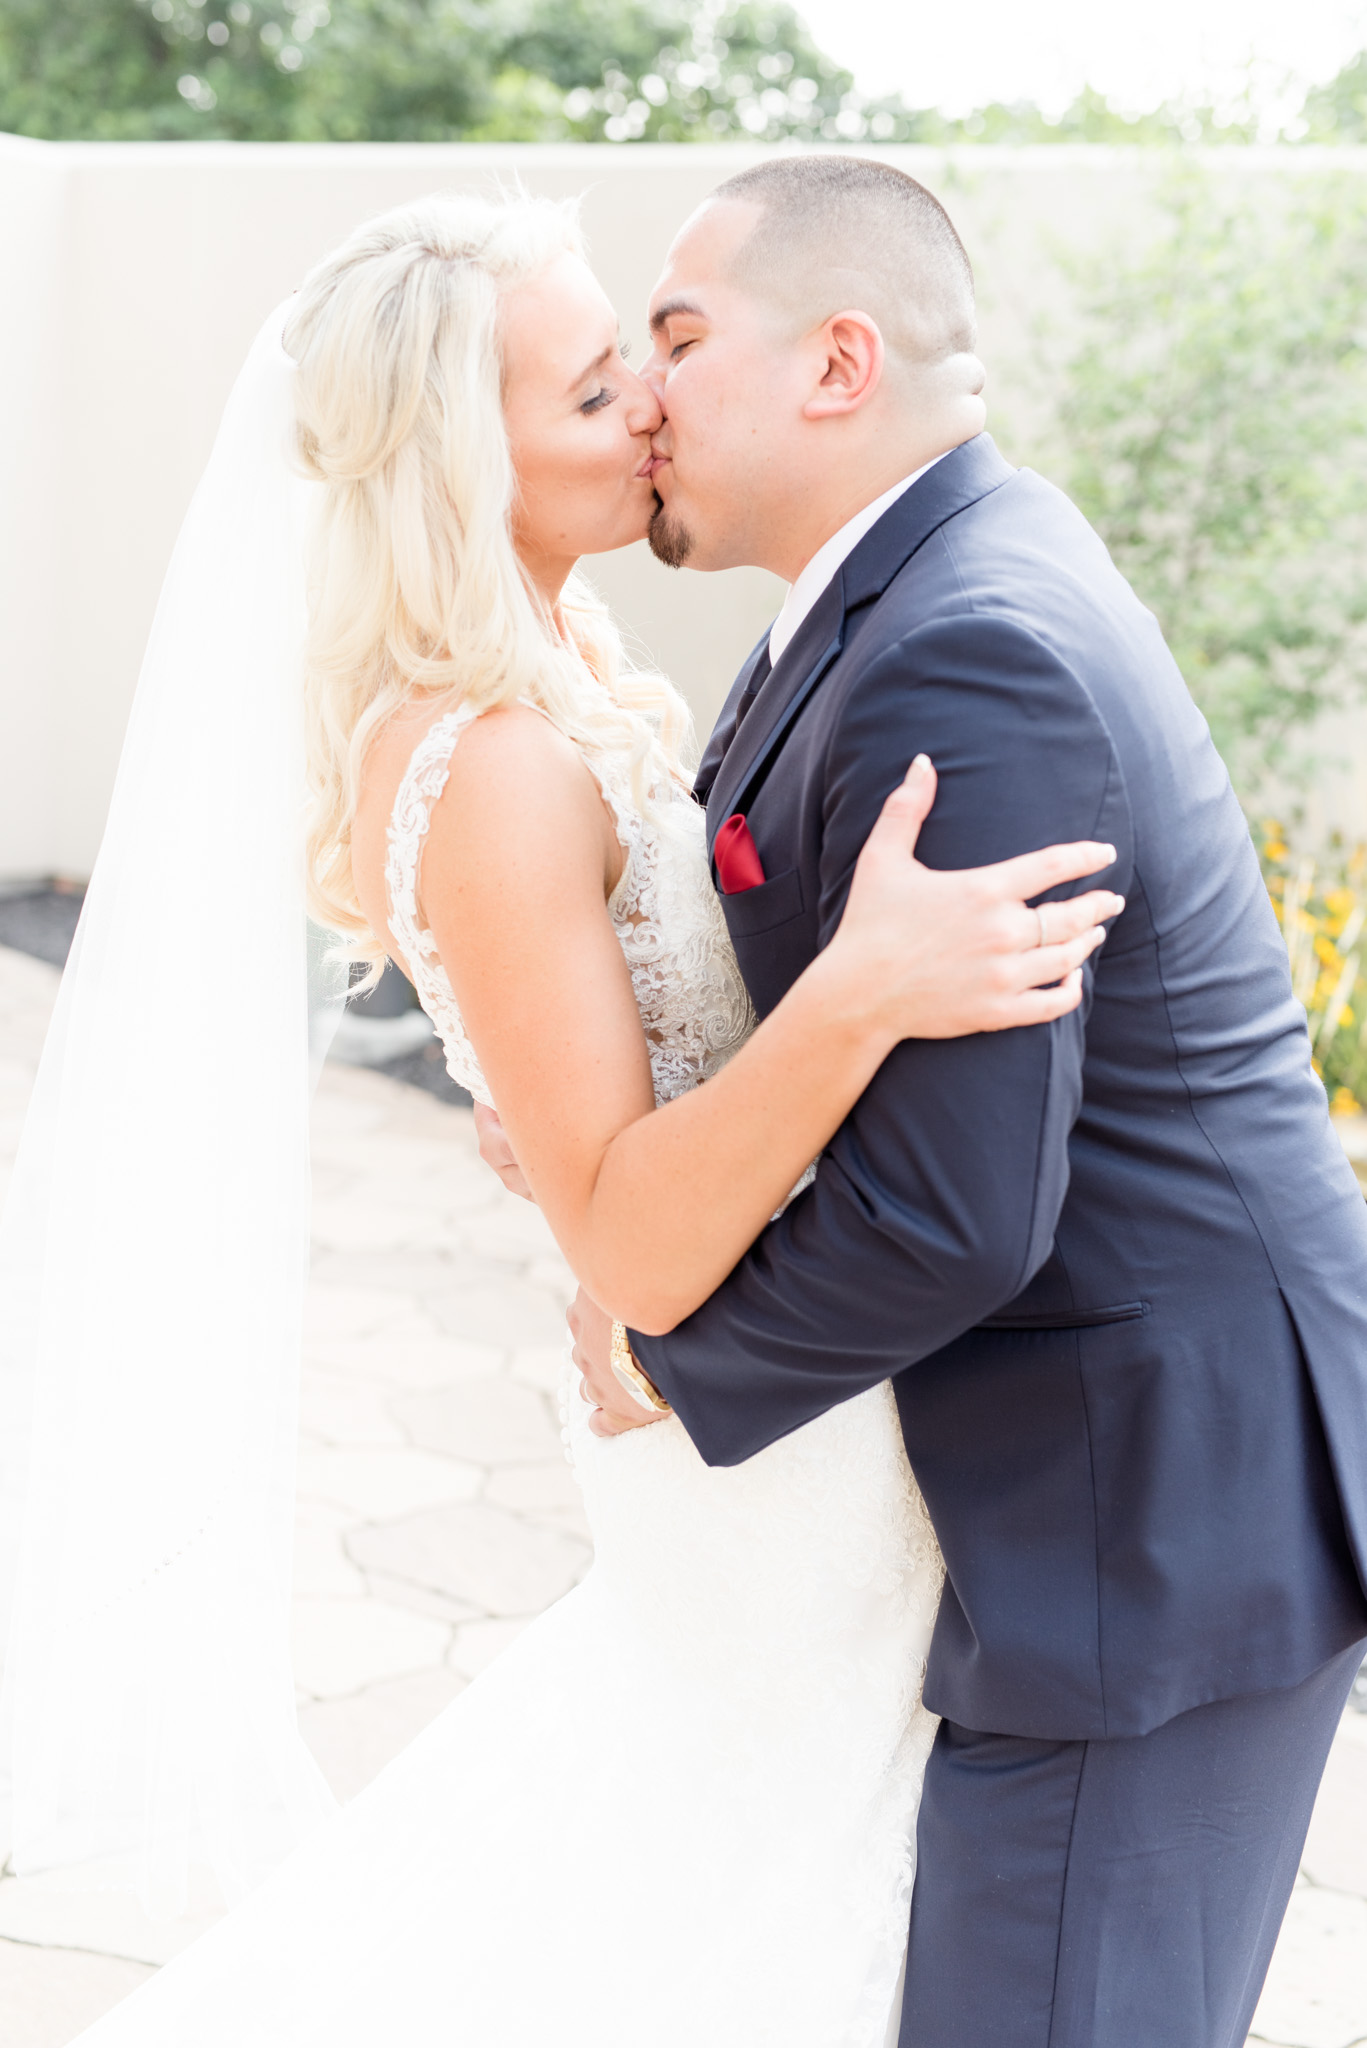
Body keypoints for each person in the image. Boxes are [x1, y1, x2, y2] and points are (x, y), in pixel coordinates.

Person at [3, 189, 1117, 2047]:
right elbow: (632, 1231)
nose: (655, 412)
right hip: (759, 1454)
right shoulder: (490, 763)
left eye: (643, 366)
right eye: (601, 391)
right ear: (462, 456)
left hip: (801, 1406)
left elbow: (620, 1095)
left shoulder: (575, 662)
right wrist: (856, 997)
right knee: (745, 1910)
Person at [557, 154, 1367, 2048]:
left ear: (840, 362)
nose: (644, 386)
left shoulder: (964, 646)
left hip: (1147, 1514)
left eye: (679, 335)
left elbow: (956, 1205)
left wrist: (673, 1358)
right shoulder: (884, 593)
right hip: (1094, 1476)